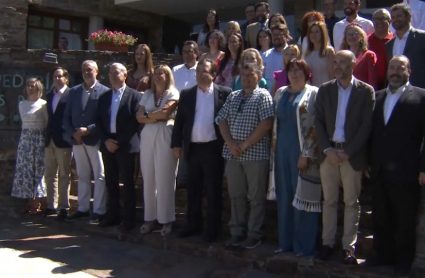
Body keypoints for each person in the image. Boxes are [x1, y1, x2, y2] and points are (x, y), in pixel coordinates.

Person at [365, 55, 425, 276]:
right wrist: (367, 162)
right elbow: (370, 133)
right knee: (381, 215)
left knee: (404, 219)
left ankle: (403, 261)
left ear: (409, 71)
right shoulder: (377, 97)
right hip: (379, 168)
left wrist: (423, 168)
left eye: (401, 68)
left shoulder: (420, 97)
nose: (395, 71)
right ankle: (382, 254)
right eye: (392, 67)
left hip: (407, 170)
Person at [314, 50, 375, 265]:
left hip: (352, 155)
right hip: (329, 154)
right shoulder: (325, 90)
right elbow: (318, 122)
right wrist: (327, 150)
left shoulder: (366, 91)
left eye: (342, 62)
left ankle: (348, 247)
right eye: (335, 62)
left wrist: (349, 152)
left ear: (353, 65)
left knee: (351, 203)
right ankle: (327, 243)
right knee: (329, 201)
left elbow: (367, 126)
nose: (337, 66)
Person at [171, 59, 231, 243]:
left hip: (213, 148)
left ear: (213, 74)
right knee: (193, 189)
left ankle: (213, 229)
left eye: (203, 71)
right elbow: (180, 121)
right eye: (197, 71)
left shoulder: (224, 93)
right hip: (193, 148)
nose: (199, 74)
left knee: (213, 190)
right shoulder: (187, 94)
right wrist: (176, 144)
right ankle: (192, 225)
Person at [218, 63, 274, 249]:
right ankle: (237, 231)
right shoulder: (233, 96)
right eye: (243, 75)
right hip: (233, 155)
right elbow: (221, 120)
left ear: (258, 76)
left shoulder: (263, 95)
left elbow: (266, 123)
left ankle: (254, 233)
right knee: (236, 196)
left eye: (250, 75)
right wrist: (231, 144)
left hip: (255, 155)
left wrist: (244, 144)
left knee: (256, 198)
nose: (246, 78)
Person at [271, 59, 321, 257]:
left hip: (303, 154)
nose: (294, 73)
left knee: (303, 199)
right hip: (281, 151)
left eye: (298, 70)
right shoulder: (280, 92)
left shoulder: (313, 93)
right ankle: (286, 243)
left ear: (307, 72)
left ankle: (304, 246)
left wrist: (307, 154)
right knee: (285, 197)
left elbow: (317, 126)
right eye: (291, 70)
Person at [96, 63, 142, 234]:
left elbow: (134, 123)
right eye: (110, 73)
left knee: (128, 183)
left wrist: (119, 142)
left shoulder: (134, 96)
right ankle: (112, 215)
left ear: (125, 75)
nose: (112, 76)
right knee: (111, 181)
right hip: (108, 144)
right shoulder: (104, 96)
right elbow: (98, 120)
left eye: (116, 73)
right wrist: (107, 140)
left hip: (126, 145)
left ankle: (129, 219)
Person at [63, 61, 109, 223]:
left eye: (89, 69)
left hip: (94, 139)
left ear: (96, 71)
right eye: (83, 70)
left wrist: (88, 129)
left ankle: (99, 210)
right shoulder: (73, 91)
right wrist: (72, 133)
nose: (86, 72)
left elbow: (106, 118)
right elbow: (66, 116)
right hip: (77, 141)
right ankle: (83, 208)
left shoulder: (104, 92)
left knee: (99, 175)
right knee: (82, 175)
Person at [136, 65, 179, 236]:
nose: (157, 76)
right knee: (148, 178)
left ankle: (166, 220)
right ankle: (150, 218)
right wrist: (154, 115)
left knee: (165, 178)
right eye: (156, 73)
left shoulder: (173, 93)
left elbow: (165, 113)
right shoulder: (147, 94)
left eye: (161, 73)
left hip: (165, 134)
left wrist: (149, 115)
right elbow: (138, 117)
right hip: (147, 136)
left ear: (168, 76)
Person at [11, 78, 48, 214]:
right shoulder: (22, 104)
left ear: (38, 88)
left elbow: (46, 122)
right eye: (28, 86)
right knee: (26, 169)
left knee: (38, 169)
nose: (30, 88)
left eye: (33, 86)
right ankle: (28, 198)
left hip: (39, 139)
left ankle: (37, 201)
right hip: (26, 139)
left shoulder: (43, 104)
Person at [43, 67, 72, 220]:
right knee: (50, 175)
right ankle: (51, 205)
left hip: (64, 140)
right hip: (50, 139)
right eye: (55, 76)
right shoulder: (49, 95)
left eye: (60, 76)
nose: (57, 79)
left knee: (64, 175)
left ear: (66, 78)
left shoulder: (70, 94)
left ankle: (63, 207)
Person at [172, 41, 199, 189]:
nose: (187, 54)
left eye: (190, 51)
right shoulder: (175, 70)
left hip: (198, 115)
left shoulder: (201, 70)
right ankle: (181, 180)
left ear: (196, 53)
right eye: (184, 51)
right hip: (179, 115)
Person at [386, 3, 425, 89]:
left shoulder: (422, 38)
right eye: (393, 17)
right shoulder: (389, 45)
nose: (395, 19)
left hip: (420, 90)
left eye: (399, 16)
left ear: (409, 16)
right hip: (396, 91)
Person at [340, 23, 377, 89]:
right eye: (349, 35)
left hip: (362, 94)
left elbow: (372, 81)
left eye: (354, 34)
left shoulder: (368, 55)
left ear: (361, 36)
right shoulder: (341, 56)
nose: (351, 37)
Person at [303, 21, 336, 87]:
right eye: (311, 32)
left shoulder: (329, 51)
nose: (313, 35)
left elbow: (332, 76)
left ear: (322, 34)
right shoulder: (307, 53)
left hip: (325, 90)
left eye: (317, 32)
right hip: (311, 91)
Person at [368, 9, 393, 90]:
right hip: (371, 83)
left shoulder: (395, 40)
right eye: (376, 18)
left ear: (390, 21)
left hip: (391, 83)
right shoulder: (367, 40)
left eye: (383, 18)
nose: (379, 21)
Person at [263, 24, 290, 92]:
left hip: (287, 91)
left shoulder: (292, 53)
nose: (276, 37)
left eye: (279, 34)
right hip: (268, 93)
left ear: (286, 36)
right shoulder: (266, 55)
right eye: (274, 35)